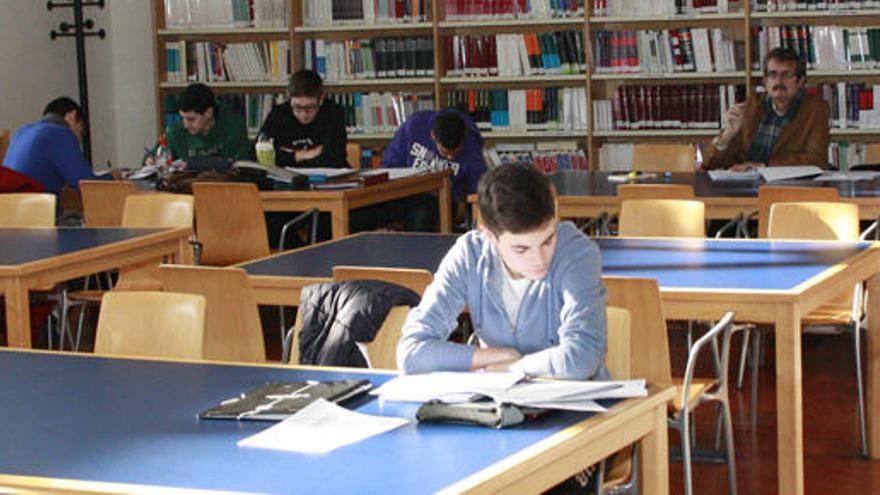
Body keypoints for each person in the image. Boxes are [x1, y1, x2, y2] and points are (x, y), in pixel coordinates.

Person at [397, 163, 608, 379]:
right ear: (489, 236)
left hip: (578, 404)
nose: (539, 259)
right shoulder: (470, 255)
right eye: (521, 249)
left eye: (548, 240)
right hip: (496, 401)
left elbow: (582, 358)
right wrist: (493, 357)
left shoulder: (578, 253)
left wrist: (515, 367)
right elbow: (411, 353)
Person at [702, 47, 830, 171]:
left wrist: (764, 166)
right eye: (772, 75)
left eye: (786, 75)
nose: (778, 81)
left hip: (789, 187)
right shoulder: (751, 106)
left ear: (800, 81)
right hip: (744, 184)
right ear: (765, 81)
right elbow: (709, 163)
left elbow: (816, 160)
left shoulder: (815, 109)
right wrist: (726, 136)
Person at [380, 109, 487, 231]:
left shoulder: (472, 146)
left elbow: (479, 189)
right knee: (371, 212)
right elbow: (390, 166)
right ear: (433, 136)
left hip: (446, 199)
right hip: (406, 193)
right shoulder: (414, 127)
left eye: (456, 152)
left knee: (421, 215)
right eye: (445, 153)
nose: (450, 157)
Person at [4, 97, 113, 194]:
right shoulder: (60, 134)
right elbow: (88, 185)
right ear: (72, 116)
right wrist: (114, 176)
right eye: (80, 132)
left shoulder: (22, 132)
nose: (79, 140)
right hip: (37, 212)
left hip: (10, 211)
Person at [259, 69, 347, 168]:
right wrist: (307, 154)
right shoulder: (278, 114)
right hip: (285, 179)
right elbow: (259, 154)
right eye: (297, 107)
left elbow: (335, 159)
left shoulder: (333, 113)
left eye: (310, 107)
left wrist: (287, 156)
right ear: (289, 98)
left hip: (327, 179)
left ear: (321, 99)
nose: (303, 114)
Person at [166, 83, 250, 163]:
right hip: (187, 177)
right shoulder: (176, 132)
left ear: (208, 113)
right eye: (182, 118)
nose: (186, 125)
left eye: (191, 119)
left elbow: (241, 165)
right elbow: (157, 156)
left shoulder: (234, 126)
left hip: (226, 177)